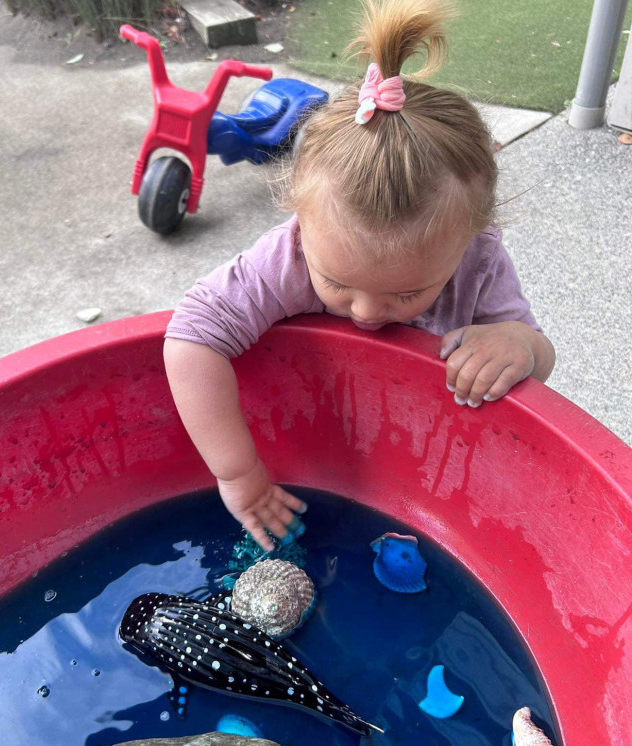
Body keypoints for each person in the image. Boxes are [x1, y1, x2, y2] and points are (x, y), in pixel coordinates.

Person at [163, 0, 555, 551]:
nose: (367, 311)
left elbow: (538, 361)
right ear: (298, 218)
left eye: (407, 293)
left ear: (472, 238)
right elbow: (190, 339)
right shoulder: (291, 254)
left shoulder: (480, 261)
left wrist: (519, 344)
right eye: (338, 284)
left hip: (430, 453)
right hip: (317, 440)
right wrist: (238, 473)